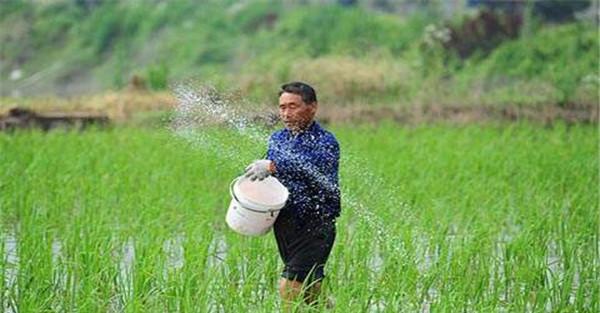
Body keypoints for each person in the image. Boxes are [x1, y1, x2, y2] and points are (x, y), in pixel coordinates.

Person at [244, 81, 341, 310]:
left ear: (312, 107)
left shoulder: (326, 142)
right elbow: (267, 172)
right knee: (310, 292)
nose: (286, 113)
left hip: (315, 225)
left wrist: (273, 166)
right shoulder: (278, 139)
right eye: (282, 107)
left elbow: (309, 166)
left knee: (289, 286)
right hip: (286, 224)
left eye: (293, 106)